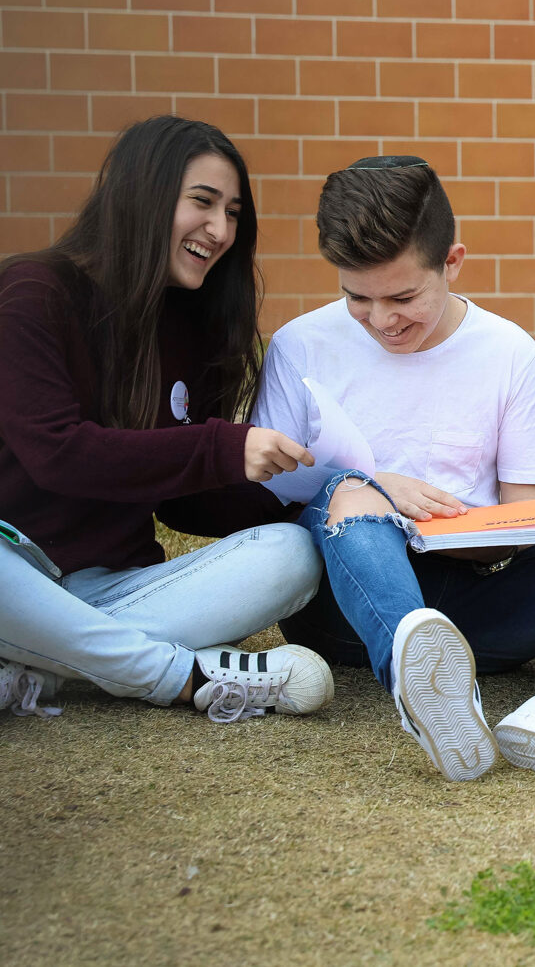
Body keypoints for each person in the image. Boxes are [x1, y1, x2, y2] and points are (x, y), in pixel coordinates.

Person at [255, 156, 535, 787]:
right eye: (357, 298)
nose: (381, 320)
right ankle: (418, 679)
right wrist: (378, 489)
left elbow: (531, 518)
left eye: (403, 297)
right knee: (347, 490)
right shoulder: (299, 344)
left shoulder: (509, 352)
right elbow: (272, 494)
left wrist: (452, 529)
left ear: (452, 262)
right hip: (340, 610)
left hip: (475, 604)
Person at [0, 115, 331, 722]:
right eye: (202, 203)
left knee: (291, 552)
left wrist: (315, 502)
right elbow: (58, 453)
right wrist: (223, 447)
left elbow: (184, 502)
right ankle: (181, 677)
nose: (221, 229)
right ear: (141, 198)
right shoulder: (32, 291)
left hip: (112, 591)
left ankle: (38, 659)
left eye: (233, 212)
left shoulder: (191, 322)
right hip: (11, 566)